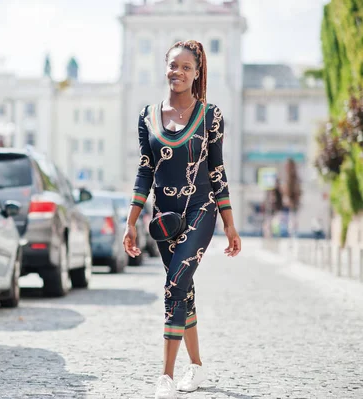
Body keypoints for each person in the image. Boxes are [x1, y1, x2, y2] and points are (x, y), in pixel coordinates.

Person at [122, 40, 241, 399]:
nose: (178, 73)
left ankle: (166, 377)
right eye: (174, 66)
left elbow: (217, 171)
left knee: (173, 285)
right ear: (165, 67)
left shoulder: (211, 116)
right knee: (183, 290)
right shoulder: (147, 116)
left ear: (197, 73)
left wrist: (229, 223)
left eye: (186, 67)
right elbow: (145, 172)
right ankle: (198, 367)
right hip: (163, 219)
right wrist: (132, 221)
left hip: (200, 212)